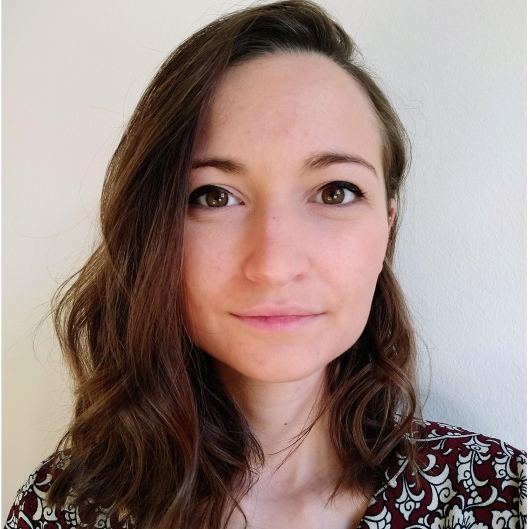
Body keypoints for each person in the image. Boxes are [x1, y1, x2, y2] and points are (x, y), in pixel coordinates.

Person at [5, 1, 526, 528]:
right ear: (152, 227)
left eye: (335, 191)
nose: (274, 265)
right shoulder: (63, 510)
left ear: (387, 223)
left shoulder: (502, 498)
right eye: (213, 196)